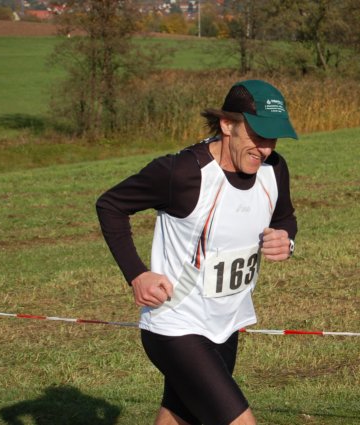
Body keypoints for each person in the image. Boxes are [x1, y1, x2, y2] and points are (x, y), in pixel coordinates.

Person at [96, 79, 298, 425]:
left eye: (273, 139)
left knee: (180, 416)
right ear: (227, 125)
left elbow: (284, 218)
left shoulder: (274, 170)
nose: (265, 149)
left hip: (226, 323)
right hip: (175, 325)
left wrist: (286, 239)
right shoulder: (183, 173)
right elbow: (111, 205)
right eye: (258, 135)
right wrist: (137, 274)